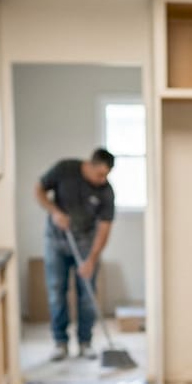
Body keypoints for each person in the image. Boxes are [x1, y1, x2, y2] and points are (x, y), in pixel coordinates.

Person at [35, 148, 116, 360]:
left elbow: (104, 229)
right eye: (100, 174)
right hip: (56, 240)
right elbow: (39, 189)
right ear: (89, 165)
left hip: (86, 243)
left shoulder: (106, 191)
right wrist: (54, 211)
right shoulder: (65, 169)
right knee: (56, 291)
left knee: (87, 294)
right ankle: (60, 342)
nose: (102, 180)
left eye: (106, 175)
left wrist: (91, 260)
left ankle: (85, 342)